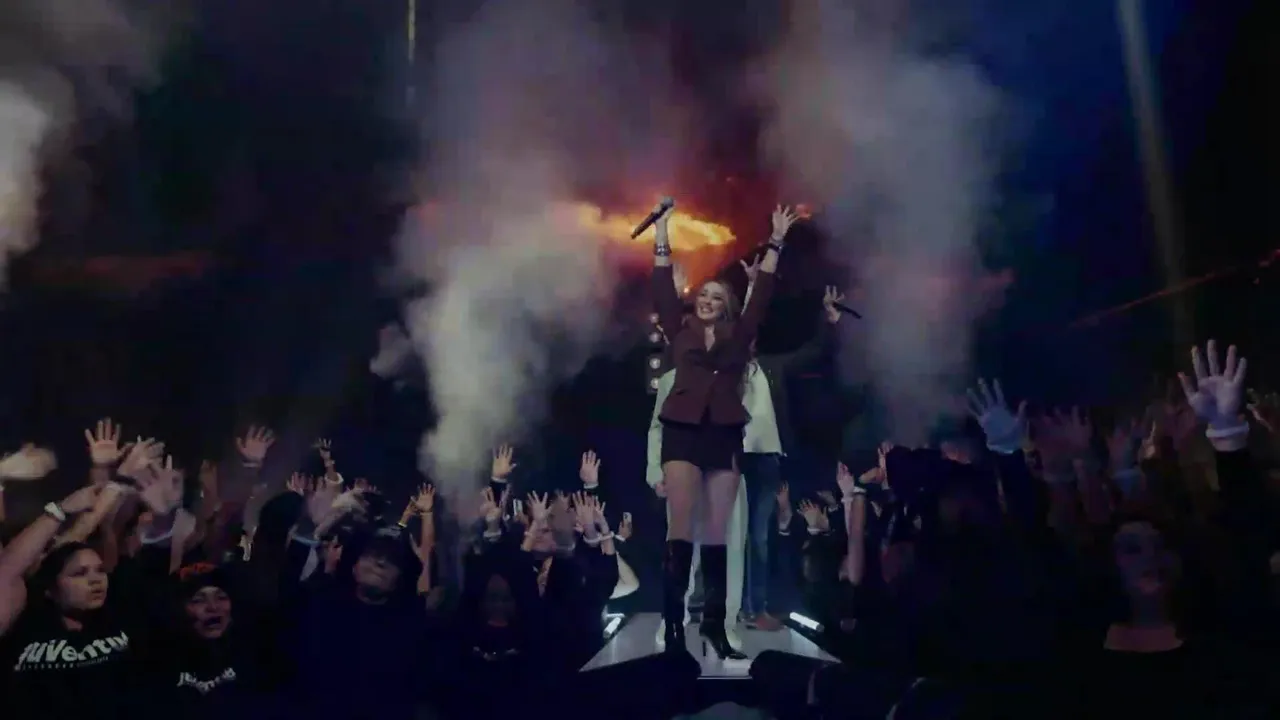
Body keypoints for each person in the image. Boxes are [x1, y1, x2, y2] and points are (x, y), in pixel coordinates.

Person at [650, 199, 797, 659]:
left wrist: (776, 241)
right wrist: (661, 232)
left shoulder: (739, 336)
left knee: (718, 535)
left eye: (717, 297)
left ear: (727, 306)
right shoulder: (680, 332)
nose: (708, 301)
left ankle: (715, 628)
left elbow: (762, 295)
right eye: (703, 295)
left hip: (724, 436)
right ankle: (674, 628)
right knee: (680, 532)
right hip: (682, 434)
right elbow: (661, 289)